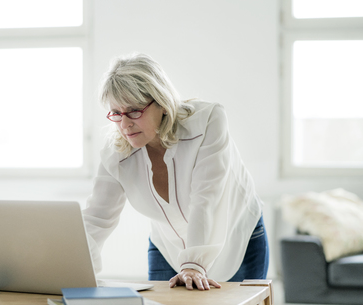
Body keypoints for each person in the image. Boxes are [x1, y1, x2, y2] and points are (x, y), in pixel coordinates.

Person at [82, 53, 269, 291]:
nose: (124, 124)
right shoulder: (116, 151)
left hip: (237, 238)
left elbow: (207, 198)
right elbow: (97, 217)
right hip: (168, 246)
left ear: (161, 102)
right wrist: (71, 268)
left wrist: (194, 264)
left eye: (134, 111)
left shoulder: (207, 122)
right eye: (116, 113)